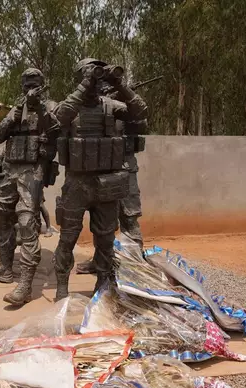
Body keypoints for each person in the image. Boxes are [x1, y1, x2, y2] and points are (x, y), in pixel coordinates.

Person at [52, 59, 147, 301]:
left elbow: (140, 112)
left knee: (105, 240)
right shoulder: (70, 107)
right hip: (77, 185)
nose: (96, 81)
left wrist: (120, 85)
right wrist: (84, 86)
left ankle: (103, 286)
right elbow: (59, 118)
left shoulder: (112, 105)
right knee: (67, 238)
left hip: (107, 185)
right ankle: (62, 286)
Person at [0, 68, 61, 306]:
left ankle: (25, 285)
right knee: (0, 216)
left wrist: (40, 108)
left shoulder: (51, 107)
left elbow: (56, 131)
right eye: (25, 85)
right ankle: (5, 268)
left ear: (42, 85)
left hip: (32, 171)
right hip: (10, 170)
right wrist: (14, 114)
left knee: (26, 222)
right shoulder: (16, 108)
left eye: (34, 85)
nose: (29, 89)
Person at [76, 83, 148, 274]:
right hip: (102, 169)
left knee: (129, 217)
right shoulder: (97, 109)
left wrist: (125, 96)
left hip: (125, 170)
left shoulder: (124, 110)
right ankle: (100, 260)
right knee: (101, 221)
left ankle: (136, 265)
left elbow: (142, 120)